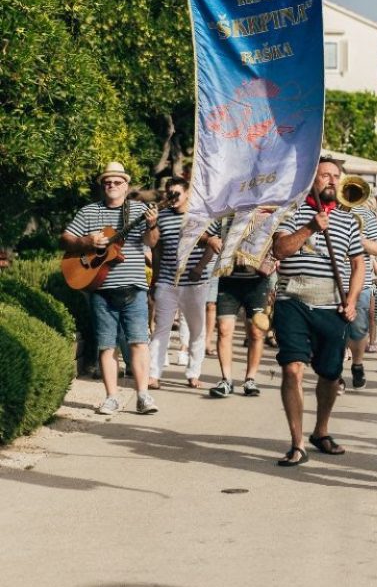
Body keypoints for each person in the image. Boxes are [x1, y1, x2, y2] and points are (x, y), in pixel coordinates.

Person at [270, 157, 365, 466]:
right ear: (313, 179)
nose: (332, 181)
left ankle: (320, 430)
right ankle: (297, 443)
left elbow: (358, 264)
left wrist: (351, 300)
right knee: (292, 368)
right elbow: (280, 250)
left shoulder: (349, 220)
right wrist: (311, 226)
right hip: (293, 299)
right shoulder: (292, 211)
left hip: (331, 302)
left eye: (336, 176)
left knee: (330, 373)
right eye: (325, 175)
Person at [61, 162, 160, 415]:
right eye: (107, 182)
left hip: (134, 288)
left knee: (139, 343)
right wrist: (88, 241)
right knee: (107, 346)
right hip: (101, 289)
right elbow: (66, 239)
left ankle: (143, 396)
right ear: (103, 186)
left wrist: (151, 225)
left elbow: (151, 242)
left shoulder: (139, 209)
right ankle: (111, 398)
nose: (112, 186)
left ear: (126, 186)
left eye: (117, 182)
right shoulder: (89, 212)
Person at [148, 177, 216, 390]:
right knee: (162, 328)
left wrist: (198, 269)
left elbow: (213, 245)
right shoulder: (162, 217)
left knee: (197, 330)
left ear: (187, 193)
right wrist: (155, 279)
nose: (173, 198)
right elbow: (156, 249)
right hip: (168, 281)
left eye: (177, 193)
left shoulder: (201, 214)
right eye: (169, 193)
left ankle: (193, 373)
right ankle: (153, 374)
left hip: (195, 282)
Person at [209, 211, 273, 399]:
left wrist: (272, 261)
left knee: (256, 332)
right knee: (224, 330)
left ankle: (250, 379)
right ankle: (226, 380)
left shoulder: (268, 214)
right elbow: (205, 232)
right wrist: (210, 240)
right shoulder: (226, 214)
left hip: (257, 281)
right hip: (229, 279)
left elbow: (279, 241)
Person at [347, 197, 377, 390]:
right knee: (334, 330)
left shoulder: (367, 216)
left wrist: (357, 239)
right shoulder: (328, 212)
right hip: (331, 280)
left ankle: (357, 363)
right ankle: (334, 373)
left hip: (360, 282)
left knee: (358, 330)